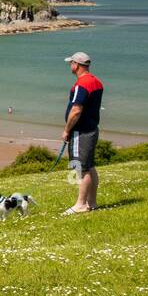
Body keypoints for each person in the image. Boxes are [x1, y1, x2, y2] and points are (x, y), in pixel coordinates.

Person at [61, 51, 103, 215]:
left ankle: (81, 204)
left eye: (71, 63)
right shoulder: (96, 82)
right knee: (90, 166)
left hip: (81, 131)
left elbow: (76, 110)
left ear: (76, 65)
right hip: (92, 129)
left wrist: (66, 130)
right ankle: (91, 202)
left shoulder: (82, 84)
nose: (70, 65)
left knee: (81, 168)